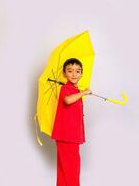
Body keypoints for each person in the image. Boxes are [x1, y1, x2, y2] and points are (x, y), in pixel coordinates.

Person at [51, 58, 92, 186]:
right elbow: (67, 100)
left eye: (77, 71)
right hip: (67, 135)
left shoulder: (75, 90)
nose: (74, 74)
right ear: (64, 73)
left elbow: (71, 109)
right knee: (72, 168)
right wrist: (84, 93)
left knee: (65, 168)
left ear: (82, 73)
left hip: (70, 135)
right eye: (70, 71)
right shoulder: (65, 88)